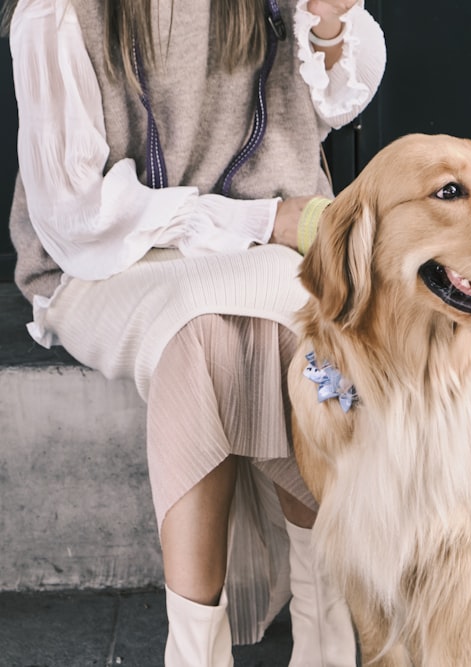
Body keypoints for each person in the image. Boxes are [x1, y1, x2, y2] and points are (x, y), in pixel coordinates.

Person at [4, 0, 386, 664]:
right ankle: (202, 650)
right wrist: (262, 221)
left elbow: (339, 103)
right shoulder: (57, 11)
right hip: (108, 263)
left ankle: (325, 628)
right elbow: (75, 216)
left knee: (305, 336)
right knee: (202, 333)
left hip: (263, 246)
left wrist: (329, 20)